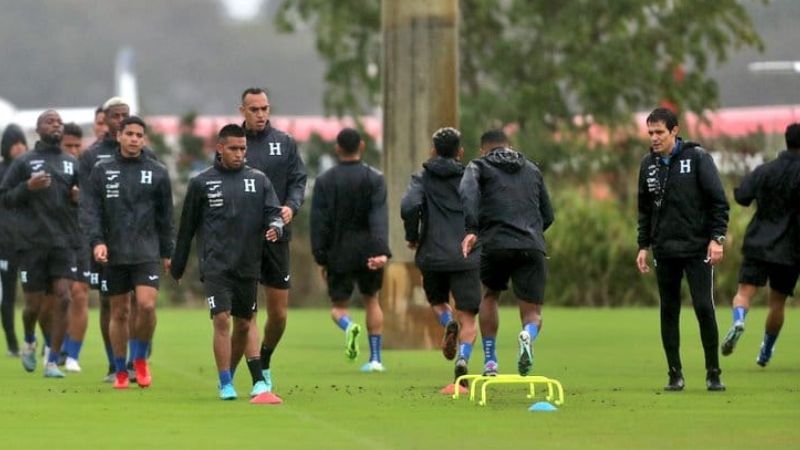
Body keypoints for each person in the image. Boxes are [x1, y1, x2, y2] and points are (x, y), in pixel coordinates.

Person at [171, 124, 284, 401]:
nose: (239, 154)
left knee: (244, 324)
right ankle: (225, 384)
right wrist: (178, 265)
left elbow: (275, 212)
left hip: (248, 263)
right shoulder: (201, 183)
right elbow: (186, 228)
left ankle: (236, 376)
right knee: (222, 319)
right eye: (233, 148)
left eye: (243, 149)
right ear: (219, 148)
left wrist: (276, 226)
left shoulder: (258, 180)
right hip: (216, 265)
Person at [636, 107, 729, 391]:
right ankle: (674, 374)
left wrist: (717, 238)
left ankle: (713, 373)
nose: (654, 138)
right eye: (650, 132)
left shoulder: (697, 158)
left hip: (696, 247)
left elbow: (718, 202)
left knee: (703, 307)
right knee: (669, 311)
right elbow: (644, 210)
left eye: (659, 132)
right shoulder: (647, 165)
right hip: (665, 250)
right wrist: (643, 246)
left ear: (674, 131)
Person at [81, 116, 173, 389]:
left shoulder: (157, 171)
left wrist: (168, 252)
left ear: (144, 139)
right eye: (129, 133)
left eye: (139, 135)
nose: (134, 139)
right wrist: (97, 241)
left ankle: (140, 359)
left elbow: (166, 217)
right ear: (119, 136)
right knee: (118, 312)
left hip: (146, 251)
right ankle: (120, 369)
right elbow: (91, 211)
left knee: (146, 305)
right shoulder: (101, 169)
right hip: (114, 252)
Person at [459, 129, 554, 378]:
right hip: (531, 245)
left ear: (483, 149)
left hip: (495, 244)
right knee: (533, 314)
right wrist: (531, 233)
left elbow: (467, 193)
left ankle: (490, 360)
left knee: (489, 295)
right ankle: (527, 336)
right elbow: (549, 215)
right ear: (509, 146)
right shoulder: (532, 168)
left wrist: (471, 229)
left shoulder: (478, 165)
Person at [233, 88, 307, 389]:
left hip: (277, 236)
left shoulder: (284, 143)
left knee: (278, 315)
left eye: (264, 108)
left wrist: (291, 206)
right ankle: (253, 376)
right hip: (242, 240)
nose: (261, 114)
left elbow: (299, 181)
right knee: (246, 312)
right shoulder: (232, 144)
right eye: (254, 109)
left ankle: (264, 358)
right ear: (242, 111)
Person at [0, 110, 79, 378]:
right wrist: (27, 187)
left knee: (64, 297)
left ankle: (52, 361)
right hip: (32, 244)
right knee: (32, 306)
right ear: (38, 128)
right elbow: (5, 197)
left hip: (63, 243)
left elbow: (85, 200)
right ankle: (30, 339)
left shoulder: (71, 163)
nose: (56, 125)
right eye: (50, 121)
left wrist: (79, 197)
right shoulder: (24, 162)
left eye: (59, 122)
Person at [401, 127, 480, 391]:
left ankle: (448, 323)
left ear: (433, 150)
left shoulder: (422, 177)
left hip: (432, 256)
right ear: (460, 152)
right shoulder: (472, 176)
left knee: (437, 302)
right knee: (469, 318)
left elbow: (409, 206)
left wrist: (413, 236)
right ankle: (463, 360)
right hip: (466, 255)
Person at [310, 128, 390, 372]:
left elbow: (319, 223)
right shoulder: (374, 178)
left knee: (338, 308)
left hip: (339, 251)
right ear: (362, 146)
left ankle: (348, 326)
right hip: (369, 250)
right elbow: (379, 217)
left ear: (337, 149)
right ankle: (375, 359)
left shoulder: (325, 181)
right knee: (372, 300)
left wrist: (320, 256)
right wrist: (381, 251)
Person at [720, 123, 800, 366]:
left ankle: (739, 320)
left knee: (744, 293)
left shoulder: (765, 170)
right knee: (777, 303)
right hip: (790, 248)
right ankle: (766, 350)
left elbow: (742, 196)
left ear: (785, 141)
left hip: (758, 243)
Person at [59, 122, 89, 372]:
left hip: (81, 239)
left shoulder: (87, 171)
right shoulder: (50, 170)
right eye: (68, 145)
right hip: (54, 240)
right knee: (58, 297)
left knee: (79, 293)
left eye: (77, 146)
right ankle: (53, 345)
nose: (73, 150)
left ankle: (72, 355)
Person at [0, 124, 28, 357]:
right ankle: (12, 344)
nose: (18, 148)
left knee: (36, 294)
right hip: (5, 244)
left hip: (30, 242)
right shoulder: (1, 172)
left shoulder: (32, 170)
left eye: (21, 143)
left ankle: (35, 339)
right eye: (14, 143)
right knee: (7, 296)